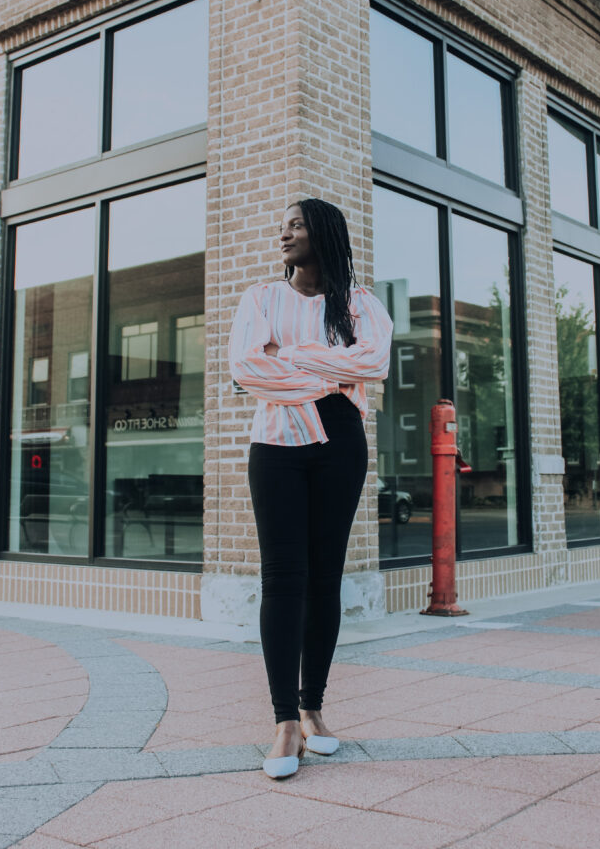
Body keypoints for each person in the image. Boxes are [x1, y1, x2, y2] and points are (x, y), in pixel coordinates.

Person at [228, 197, 393, 779]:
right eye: (282, 227)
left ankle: (314, 709)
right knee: (283, 578)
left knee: (326, 577)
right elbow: (247, 368)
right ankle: (284, 724)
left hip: (340, 443)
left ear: (323, 231)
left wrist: (289, 357)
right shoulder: (261, 298)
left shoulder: (359, 303)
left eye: (295, 225)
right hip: (275, 448)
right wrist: (331, 373)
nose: (285, 234)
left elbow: (374, 362)